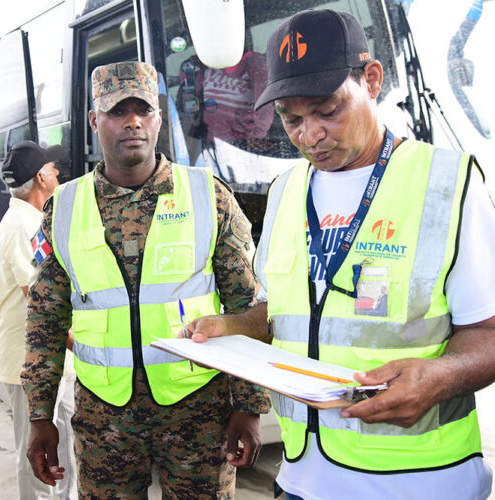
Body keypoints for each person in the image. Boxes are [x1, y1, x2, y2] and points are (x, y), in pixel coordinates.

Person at [187, 9, 495, 500]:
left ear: (371, 80)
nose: (310, 136)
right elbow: (280, 313)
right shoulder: (286, 189)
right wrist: (233, 327)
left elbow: (488, 333)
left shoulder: (448, 183)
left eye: (328, 111)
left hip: (422, 483)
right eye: (291, 119)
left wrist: (440, 376)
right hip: (301, 479)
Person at [21, 61, 270, 498]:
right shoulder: (63, 209)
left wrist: (249, 407)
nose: (133, 121)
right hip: (104, 420)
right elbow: (44, 321)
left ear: (158, 117)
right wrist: (40, 417)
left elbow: (247, 309)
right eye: (118, 111)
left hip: (197, 413)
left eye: (144, 109)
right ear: (96, 121)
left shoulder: (207, 195)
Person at [0, 140, 77, 500]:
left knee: (69, 446)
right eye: (53, 168)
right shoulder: (22, 226)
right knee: (38, 454)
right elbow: (42, 300)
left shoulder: (34, 220)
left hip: (57, 361)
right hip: (32, 363)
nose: (58, 172)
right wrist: (88, 346)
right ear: (41, 176)